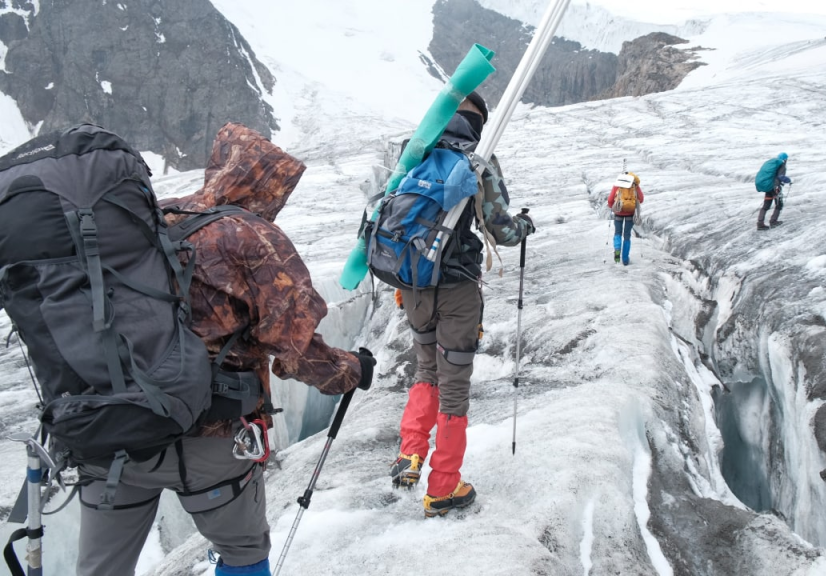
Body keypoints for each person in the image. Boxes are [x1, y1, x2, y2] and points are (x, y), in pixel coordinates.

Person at [76, 123, 376, 576]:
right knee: (243, 555)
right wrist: (351, 370)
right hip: (211, 437)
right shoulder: (249, 235)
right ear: (268, 186)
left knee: (99, 569)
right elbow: (294, 351)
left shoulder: (152, 216)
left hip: (115, 429)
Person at [389, 91, 534, 517]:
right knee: (454, 387)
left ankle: (410, 455)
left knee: (424, 368)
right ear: (479, 123)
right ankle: (444, 487)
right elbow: (502, 230)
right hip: (457, 289)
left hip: (414, 283)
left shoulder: (413, 150)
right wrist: (525, 224)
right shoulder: (479, 159)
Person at [606, 171, 644, 265]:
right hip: (630, 214)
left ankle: (617, 251)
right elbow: (641, 199)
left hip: (618, 212)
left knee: (617, 233)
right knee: (627, 236)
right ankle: (625, 260)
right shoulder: (634, 185)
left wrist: (613, 207)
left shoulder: (618, 184)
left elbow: (610, 200)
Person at [755, 152, 792, 230]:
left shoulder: (773, 164)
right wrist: (788, 180)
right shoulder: (781, 165)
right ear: (785, 159)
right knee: (779, 205)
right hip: (775, 188)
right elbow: (781, 176)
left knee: (765, 206)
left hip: (769, 187)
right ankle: (773, 221)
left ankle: (760, 223)